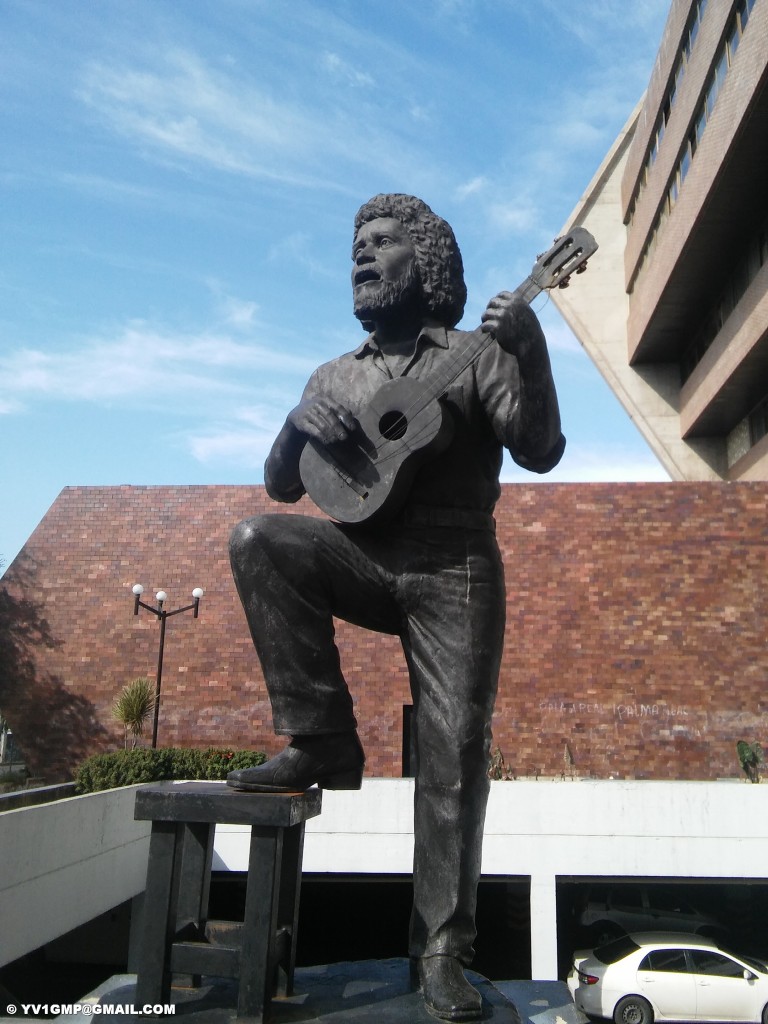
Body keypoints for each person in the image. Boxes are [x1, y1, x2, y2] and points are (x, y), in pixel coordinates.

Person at [227, 194, 564, 1021]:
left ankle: (443, 951)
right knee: (258, 539)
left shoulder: (476, 351)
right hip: (363, 554)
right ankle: (322, 741)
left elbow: (541, 448)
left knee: (452, 756)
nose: (363, 257)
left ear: (429, 261)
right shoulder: (334, 373)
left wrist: (533, 353)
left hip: (455, 566)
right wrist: (291, 424)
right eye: (357, 246)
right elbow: (280, 483)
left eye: (382, 243)